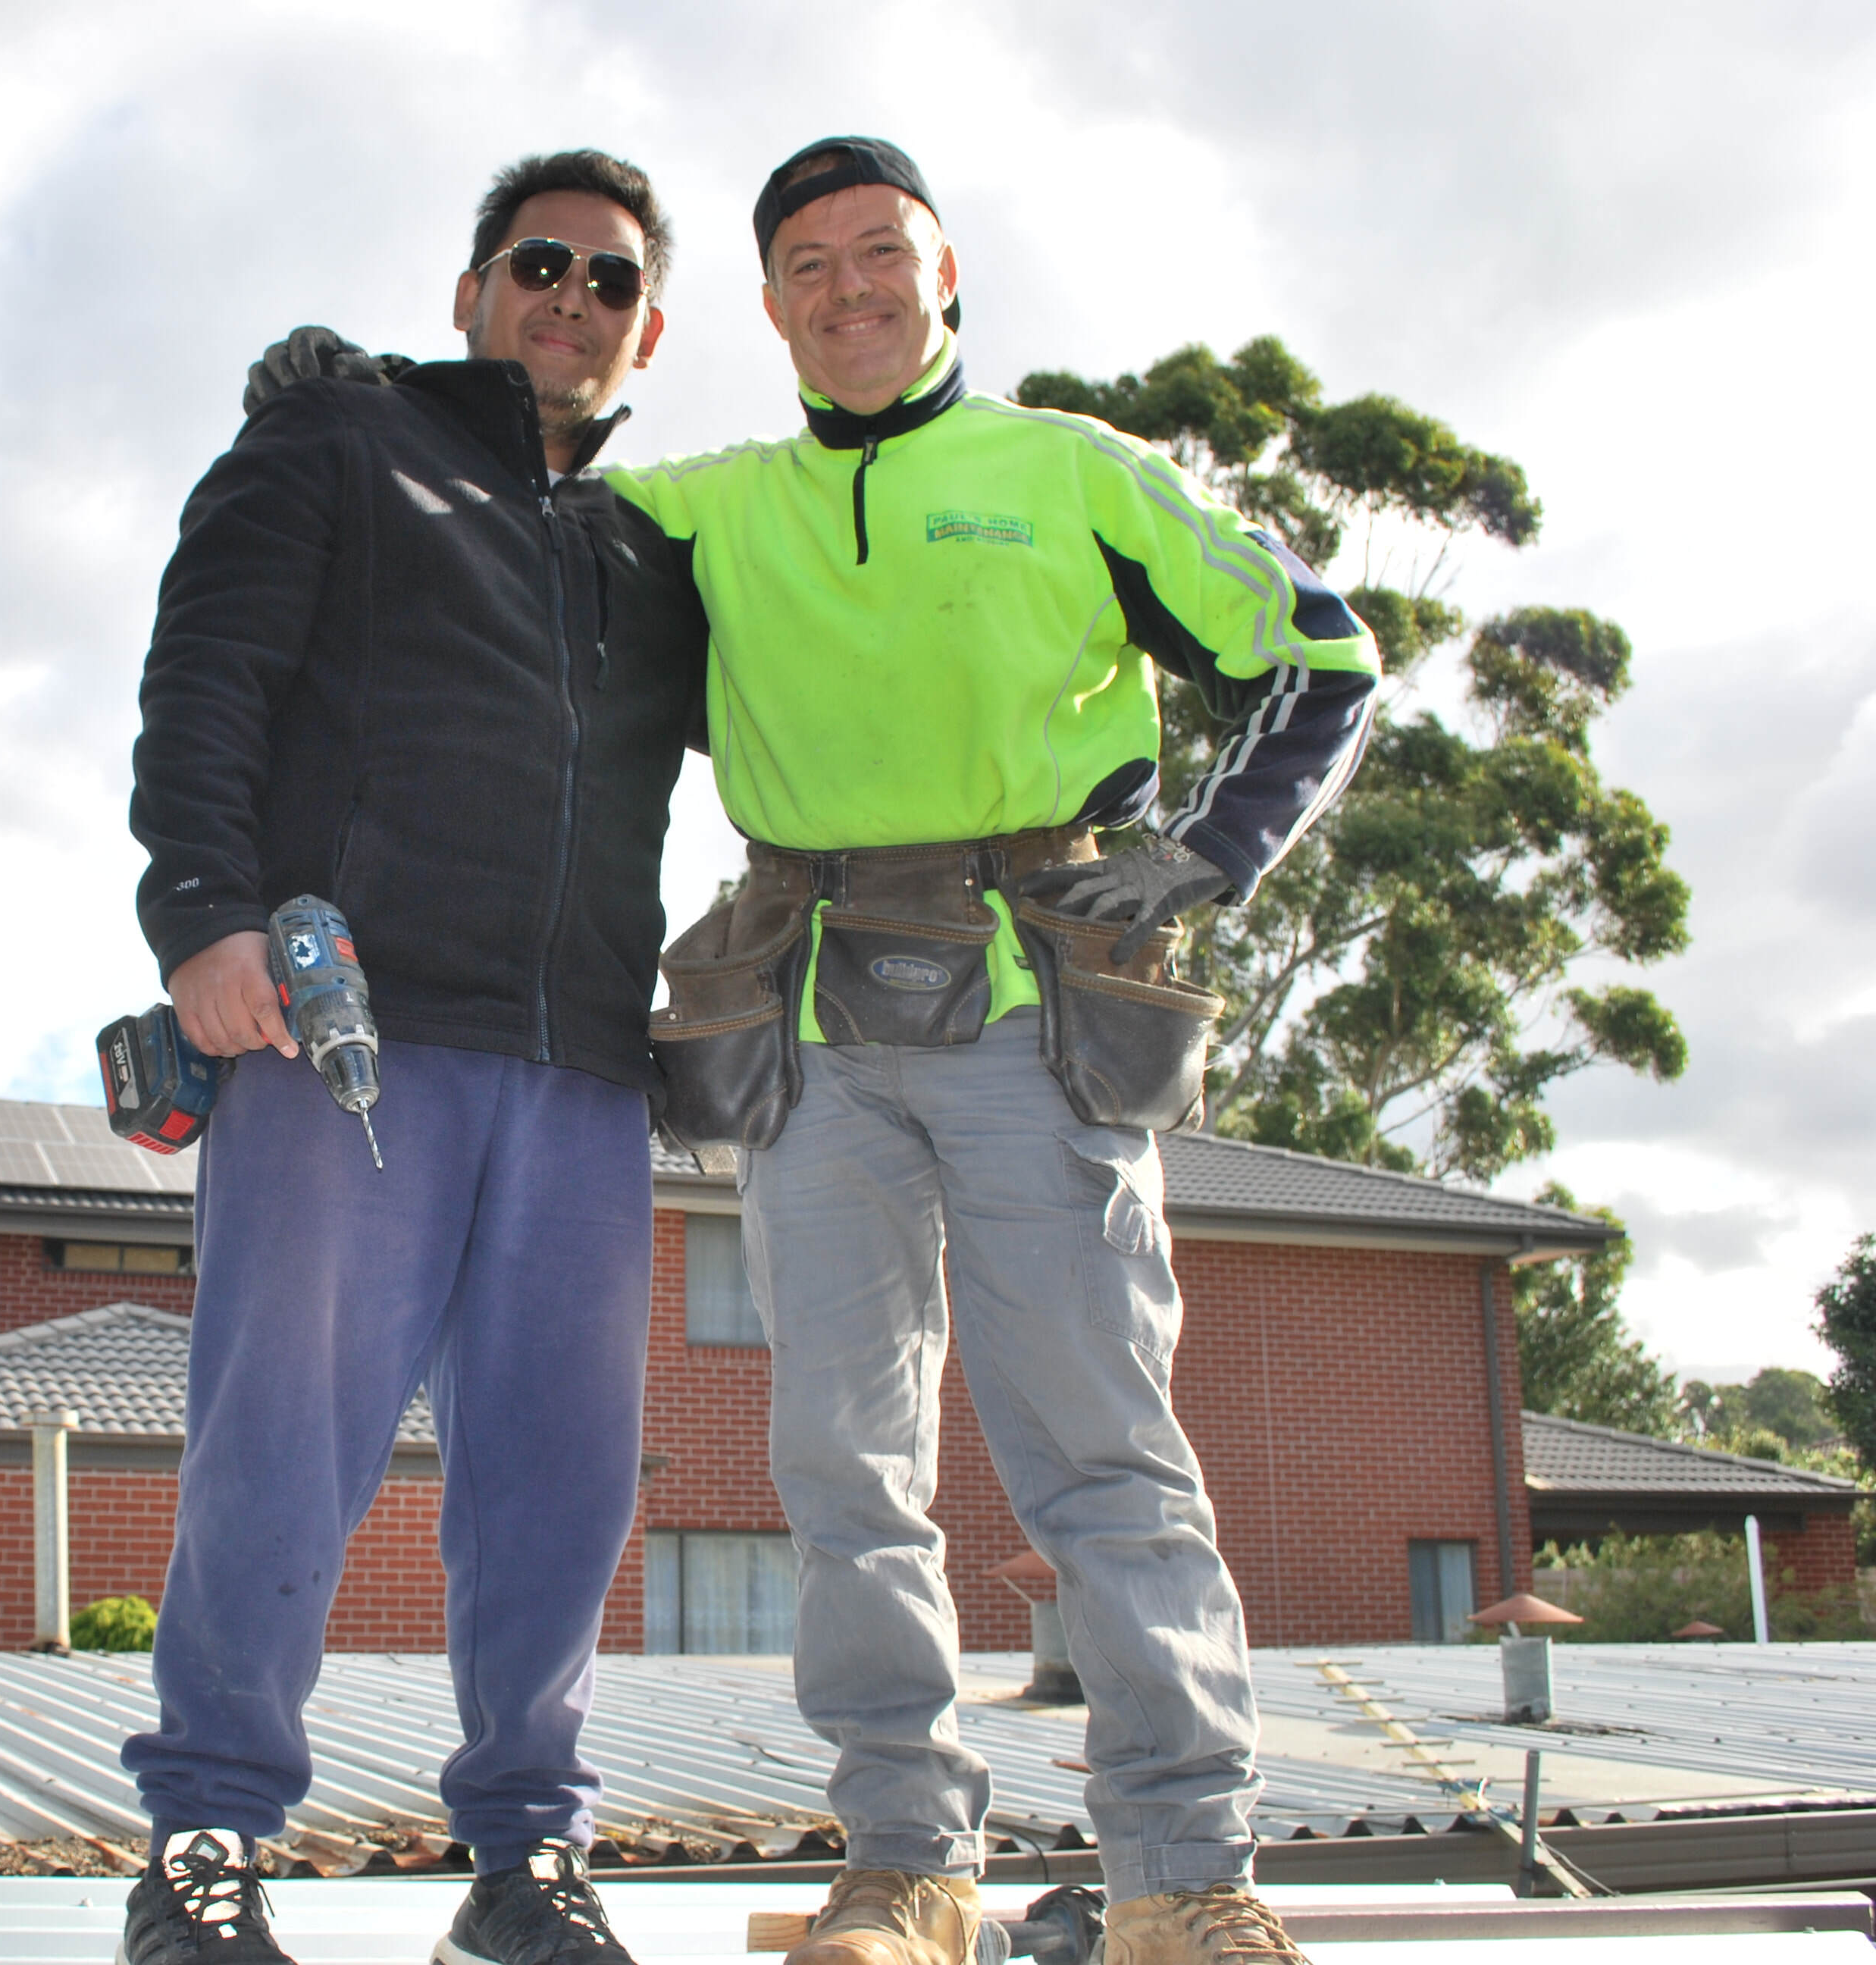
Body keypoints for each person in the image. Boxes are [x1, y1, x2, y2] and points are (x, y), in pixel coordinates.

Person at [247, 136, 1371, 1965]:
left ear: (945, 277)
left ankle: (1183, 1878)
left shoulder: (1076, 472)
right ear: (765, 309)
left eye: (882, 253)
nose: (850, 289)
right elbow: (510, 497)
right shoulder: (701, 510)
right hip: (810, 1033)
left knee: (1099, 1448)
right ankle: (904, 1868)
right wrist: (363, 403)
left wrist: (1212, 854)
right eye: (808, 265)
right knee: (845, 1470)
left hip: (1035, 1015)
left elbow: (1324, 653)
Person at [121, 149, 707, 1965]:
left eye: (611, 281)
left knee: (559, 1479)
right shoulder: (340, 441)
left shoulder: (656, 554)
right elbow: (204, 677)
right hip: (344, 1036)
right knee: (281, 1448)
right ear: (471, 293)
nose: (571, 297)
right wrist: (203, 916)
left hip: (583, 1063)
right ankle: (204, 1844)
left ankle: (526, 1866)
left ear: (648, 333)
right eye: (538, 263)